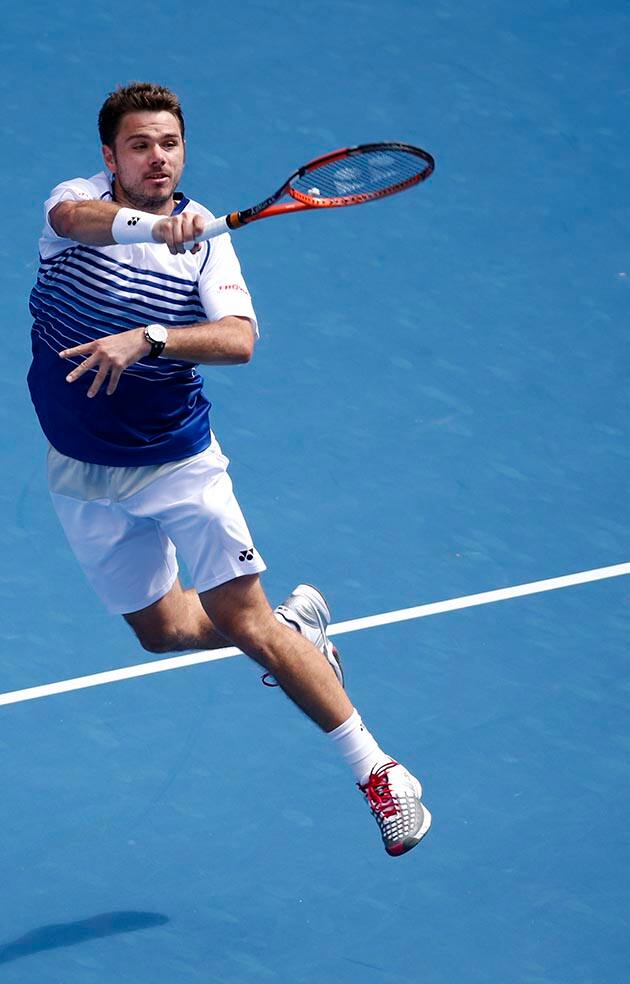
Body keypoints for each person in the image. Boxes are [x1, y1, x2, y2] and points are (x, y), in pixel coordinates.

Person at [27, 82, 431, 856]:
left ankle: (383, 773)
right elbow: (76, 222)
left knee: (243, 619)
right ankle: (296, 632)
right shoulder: (76, 203)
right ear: (109, 156)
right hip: (80, 469)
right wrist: (150, 230)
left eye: (170, 144)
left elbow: (240, 339)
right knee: (163, 630)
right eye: (141, 145)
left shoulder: (210, 242)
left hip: (178, 467)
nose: (158, 157)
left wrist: (150, 337)